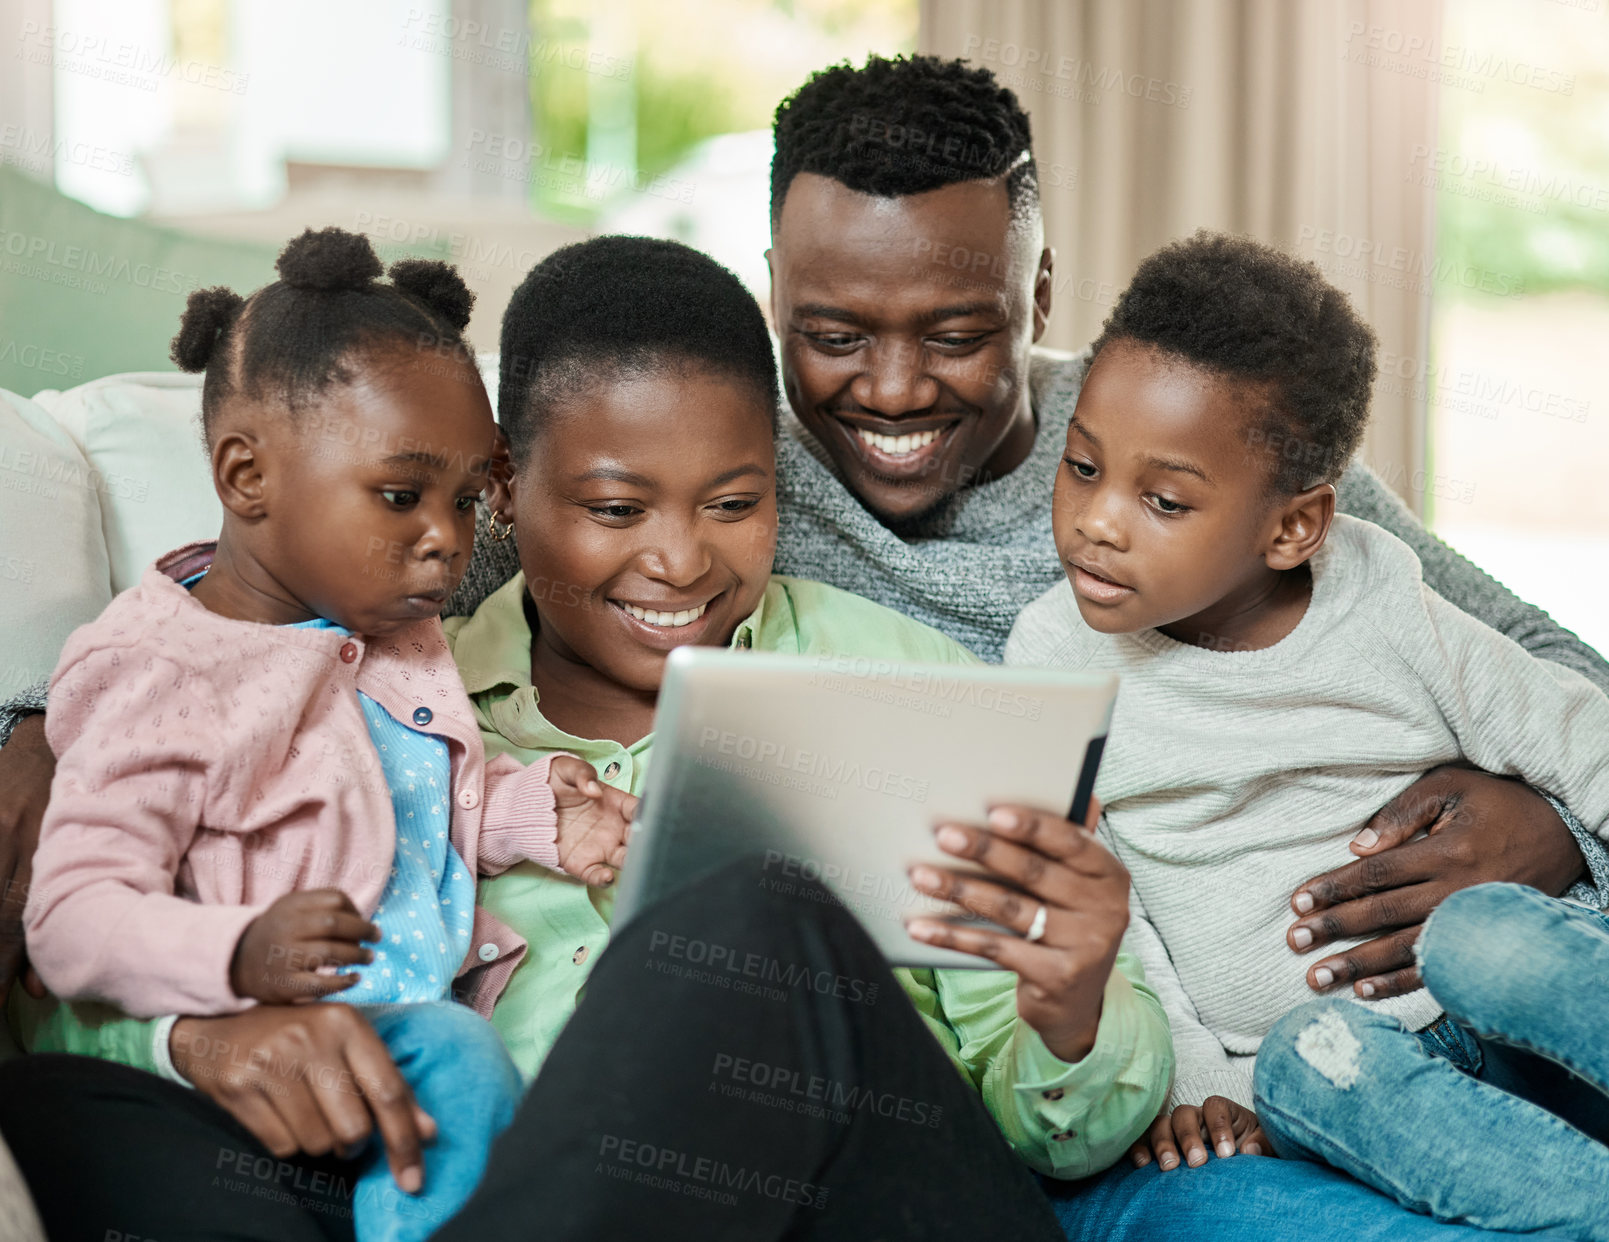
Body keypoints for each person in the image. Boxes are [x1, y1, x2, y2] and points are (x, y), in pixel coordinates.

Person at [0, 49, 1603, 1237]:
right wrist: (51, 718)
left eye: (958, 330)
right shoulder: (426, 648)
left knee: (759, 918)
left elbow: (1549, 679)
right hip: (597, 1167)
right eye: (834, 335)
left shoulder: (1195, 477)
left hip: (960, 1151)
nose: (891, 391)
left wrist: (1548, 828)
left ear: (1044, 286)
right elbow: (305, 563)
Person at [0, 236, 1166, 1240]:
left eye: (735, 502)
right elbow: (79, 949)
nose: (679, 561)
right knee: (54, 1104)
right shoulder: (388, 700)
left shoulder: (905, 685)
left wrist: (1066, 1013)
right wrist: (195, 1043)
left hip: (850, 1201)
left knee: (751, 914)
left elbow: (1051, 1142)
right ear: (504, 491)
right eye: (614, 510)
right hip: (482, 1183)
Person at [20, 228, 636, 1242]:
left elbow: (410, 807)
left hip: (392, 1036)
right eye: (401, 496)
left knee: (470, 1075)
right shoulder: (166, 672)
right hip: (246, 1052)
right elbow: (72, 918)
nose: (446, 536)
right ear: (245, 476)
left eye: (467, 500)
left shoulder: (387, 634)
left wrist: (534, 812)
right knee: (463, 1065)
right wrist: (239, 953)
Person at [1003, 230, 1609, 1237]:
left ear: (1291, 528)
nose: (1097, 521)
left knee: (1488, 934)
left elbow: (1573, 730)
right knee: (1301, 1059)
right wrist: (1197, 1079)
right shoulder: (1052, 654)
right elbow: (1109, 907)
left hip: (1501, 1008)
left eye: (1161, 500)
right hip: (1347, 1075)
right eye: (1081, 467)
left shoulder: (1379, 600)